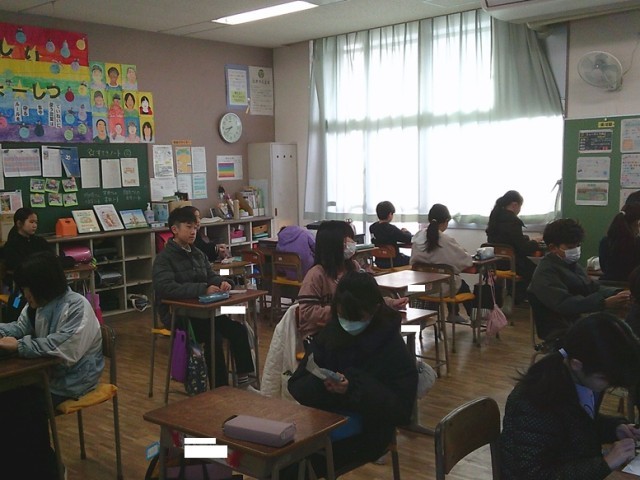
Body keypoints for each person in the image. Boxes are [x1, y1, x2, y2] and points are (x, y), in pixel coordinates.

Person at [288, 271, 417, 478]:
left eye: (357, 317)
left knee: (293, 466)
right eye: (343, 316)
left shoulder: (391, 345)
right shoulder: (331, 333)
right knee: (277, 457)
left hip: (370, 431)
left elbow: (401, 410)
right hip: (323, 422)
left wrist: (353, 387)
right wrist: (322, 383)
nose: (348, 322)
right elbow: (296, 384)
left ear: (375, 309)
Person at [0, 251, 104, 479]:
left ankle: (50, 470)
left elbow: (62, 347)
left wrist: (18, 346)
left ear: (42, 285)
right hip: (45, 376)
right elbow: (18, 328)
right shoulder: (36, 305)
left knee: (24, 411)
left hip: (74, 379)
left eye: (26, 288)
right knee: (6, 401)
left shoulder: (76, 306)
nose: (24, 294)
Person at [500, 313, 640, 480]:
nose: (608, 385)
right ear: (576, 364)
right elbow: (533, 474)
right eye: (604, 378)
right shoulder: (535, 402)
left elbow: (578, 426)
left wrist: (614, 428)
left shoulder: (581, 377)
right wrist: (606, 463)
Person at [152, 207, 255, 388]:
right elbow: (166, 288)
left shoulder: (198, 254)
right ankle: (220, 388)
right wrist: (203, 289)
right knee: (213, 338)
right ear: (175, 229)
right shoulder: (164, 259)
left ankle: (244, 382)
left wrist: (223, 282)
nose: (193, 232)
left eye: (195, 227)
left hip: (207, 312)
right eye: (188, 227)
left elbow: (211, 276)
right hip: (180, 316)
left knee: (238, 330)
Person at [297, 220, 407, 346]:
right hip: (321, 334)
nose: (352, 244)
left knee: (389, 332)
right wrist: (343, 312)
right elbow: (307, 312)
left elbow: (367, 298)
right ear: (333, 244)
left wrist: (391, 303)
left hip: (350, 329)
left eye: (351, 239)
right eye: (347, 240)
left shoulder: (353, 267)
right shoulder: (316, 275)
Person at [528, 218, 630, 342]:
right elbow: (564, 304)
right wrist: (604, 303)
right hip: (561, 331)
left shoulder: (571, 265)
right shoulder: (545, 273)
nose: (576, 250)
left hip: (579, 321)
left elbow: (593, 287)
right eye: (570, 247)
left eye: (578, 245)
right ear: (553, 247)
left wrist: (618, 293)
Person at [410, 203, 473, 322]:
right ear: (446, 221)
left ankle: (432, 319)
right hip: (438, 289)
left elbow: (412, 261)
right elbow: (465, 260)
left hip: (419, 287)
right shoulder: (446, 240)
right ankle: (472, 319)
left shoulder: (418, 237)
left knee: (449, 278)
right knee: (459, 282)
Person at [486, 190, 541, 303]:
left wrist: (524, 239)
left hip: (496, 262)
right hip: (512, 263)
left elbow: (507, 240)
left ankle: (511, 297)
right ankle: (516, 298)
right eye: (520, 206)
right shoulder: (513, 221)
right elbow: (523, 249)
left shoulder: (495, 218)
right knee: (539, 272)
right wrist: (535, 242)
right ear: (515, 205)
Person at [2, 207, 53, 322]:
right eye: (31, 222)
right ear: (19, 223)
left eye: (36, 222)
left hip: (41, 280)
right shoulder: (11, 245)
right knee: (17, 303)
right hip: (21, 286)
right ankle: (19, 322)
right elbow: (18, 266)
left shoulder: (39, 242)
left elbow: (51, 258)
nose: (34, 225)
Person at [598, 203, 640, 281]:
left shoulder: (605, 242)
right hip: (631, 284)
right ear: (634, 224)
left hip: (606, 283)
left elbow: (603, 268)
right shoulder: (637, 243)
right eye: (638, 225)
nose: (638, 230)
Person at [369, 201, 412, 268]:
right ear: (390, 214)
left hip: (379, 261)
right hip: (394, 261)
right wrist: (406, 232)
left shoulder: (372, 227)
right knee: (413, 260)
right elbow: (407, 238)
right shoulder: (391, 229)